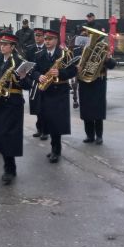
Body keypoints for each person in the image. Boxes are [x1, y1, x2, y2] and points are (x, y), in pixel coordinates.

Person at [0, 33, 30, 184]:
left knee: (9, 135)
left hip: (13, 102)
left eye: (5, 44)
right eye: (1, 44)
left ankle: (9, 168)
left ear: (12, 47)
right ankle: (8, 164)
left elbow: (28, 85)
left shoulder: (19, 62)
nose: (2, 46)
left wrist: (21, 78)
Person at [32, 29, 78, 163]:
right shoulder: (39, 55)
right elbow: (34, 70)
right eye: (45, 39)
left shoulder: (65, 54)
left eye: (49, 39)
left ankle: (56, 150)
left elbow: (73, 70)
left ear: (56, 40)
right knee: (48, 121)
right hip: (45, 92)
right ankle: (53, 148)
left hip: (60, 92)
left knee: (57, 122)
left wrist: (61, 73)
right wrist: (38, 76)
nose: (46, 41)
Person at [77, 39, 117, 145]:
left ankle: (99, 136)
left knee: (98, 110)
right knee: (86, 110)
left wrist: (108, 58)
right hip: (84, 82)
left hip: (98, 83)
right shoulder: (81, 49)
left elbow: (112, 65)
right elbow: (74, 64)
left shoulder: (102, 50)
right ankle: (89, 135)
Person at [26, 28, 48, 141]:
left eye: (40, 35)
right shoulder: (30, 49)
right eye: (36, 35)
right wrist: (30, 79)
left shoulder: (47, 48)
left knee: (45, 107)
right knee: (37, 107)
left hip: (46, 79)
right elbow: (27, 65)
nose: (37, 38)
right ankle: (39, 129)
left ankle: (45, 130)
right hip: (34, 80)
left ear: (44, 36)